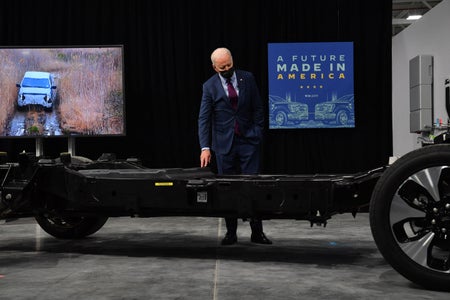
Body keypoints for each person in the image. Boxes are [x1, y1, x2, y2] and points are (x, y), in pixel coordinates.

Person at [198, 47, 272, 245]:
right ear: (215, 68)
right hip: (224, 145)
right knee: (227, 189)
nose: (227, 69)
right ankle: (231, 232)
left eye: (229, 65)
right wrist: (205, 147)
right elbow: (204, 119)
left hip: (249, 141)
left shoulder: (247, 78)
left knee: (253, 187)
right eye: (223, 67)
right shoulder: (209, 87)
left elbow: (257, 107)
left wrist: (258, 132)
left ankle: (257, 232)